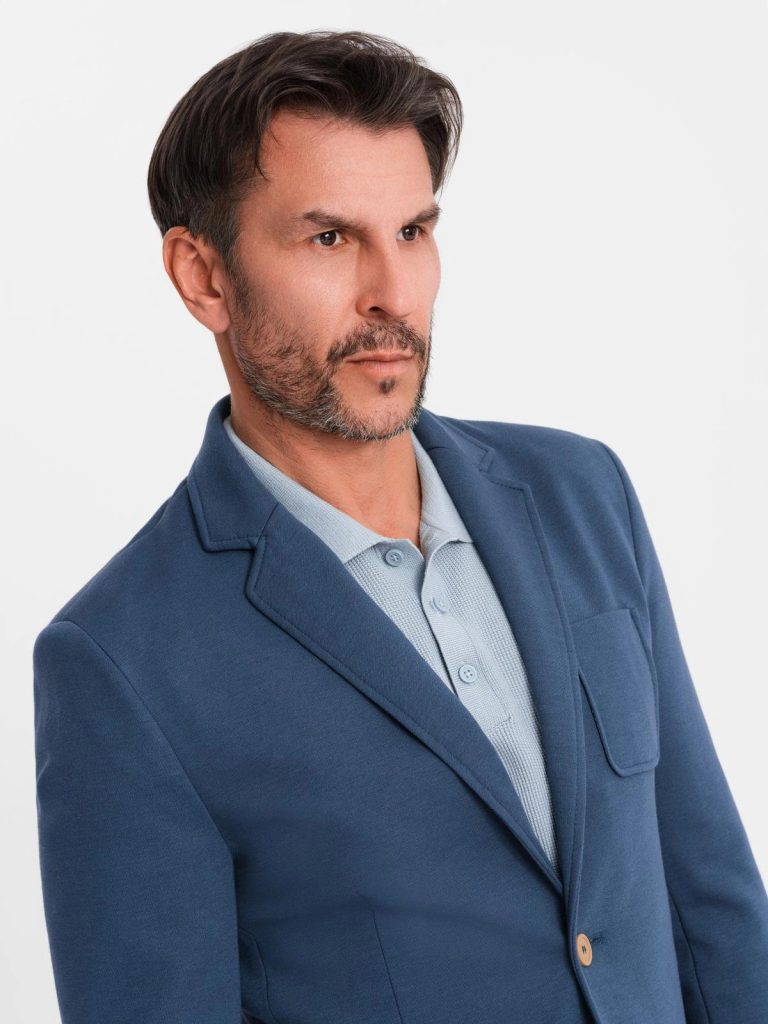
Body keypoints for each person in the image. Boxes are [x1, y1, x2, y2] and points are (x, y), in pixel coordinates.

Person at [33, 29, 768, 1024]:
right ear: (204, 277)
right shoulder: (123, 659)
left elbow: (712, 907)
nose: (393, 294)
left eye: (414, 230)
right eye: (331, 239)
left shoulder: (581, 494)